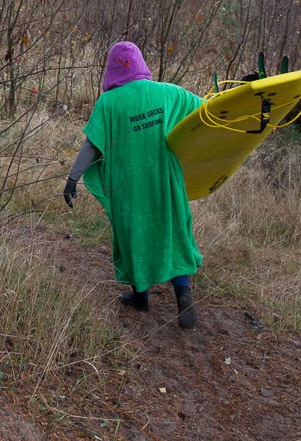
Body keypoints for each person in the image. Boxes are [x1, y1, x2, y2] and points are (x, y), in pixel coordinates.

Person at [62, 41, 204, 329]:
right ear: (140, 63)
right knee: (173, 230)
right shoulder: (167, 93)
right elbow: (206, 112)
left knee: (133, 235)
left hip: (128, 186)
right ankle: (183, 291)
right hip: (164, 182)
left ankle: (140, 296)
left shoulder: (108, 103)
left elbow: (92, 146)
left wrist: (73, 178)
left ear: (111, 69)